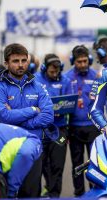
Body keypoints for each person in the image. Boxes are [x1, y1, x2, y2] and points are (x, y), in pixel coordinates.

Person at [0, 43, 54, 197]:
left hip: (33, 146)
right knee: (8, 193)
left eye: (24, 60)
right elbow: (4, 116)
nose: (20, 65)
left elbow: (48, 116)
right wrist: (33, 110)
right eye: (15, 61)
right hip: (7, 149)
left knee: (31, 193)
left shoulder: (38, 87)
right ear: (6, 63)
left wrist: (19, 120)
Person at [63, 45, 100, 197]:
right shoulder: (66, 77)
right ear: (73, 61)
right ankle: (79, 194)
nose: (83, 64)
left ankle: (95, 192)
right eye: (79, 62)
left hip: (93, 127)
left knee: (95, 164)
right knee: (77, 164)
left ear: (89, 60)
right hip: (74, 128)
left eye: (85, 61)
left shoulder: (96, 75)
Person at [34, 54, 70, 197]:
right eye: (51, 72)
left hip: (59, 128)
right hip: (41, 129)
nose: (55, 74)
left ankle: (54, 195)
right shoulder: (36, 79)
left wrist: (62, 107)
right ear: (44, 69)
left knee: (57, 164)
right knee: (41, 163)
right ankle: (47, 187)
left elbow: (70, 102)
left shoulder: (65, 80)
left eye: (57, 71)